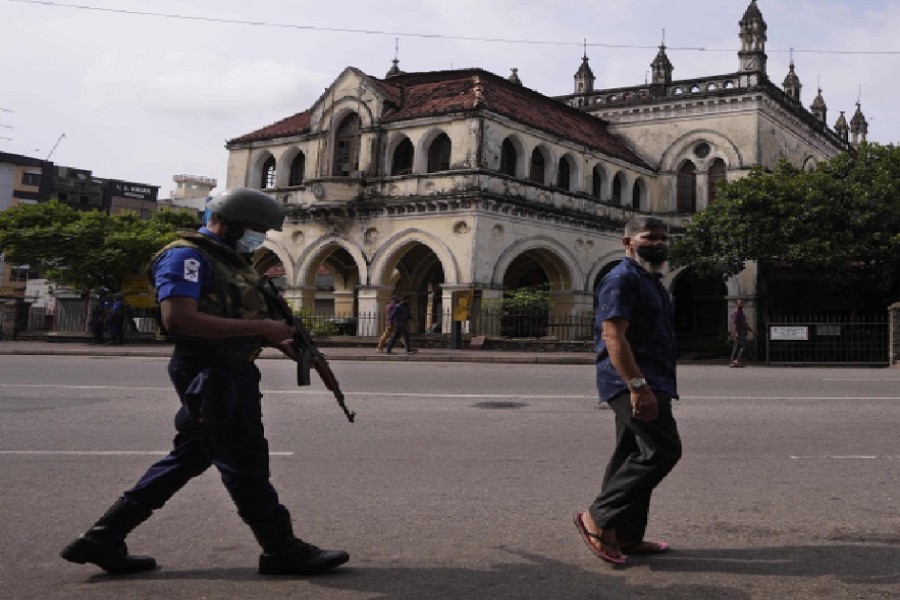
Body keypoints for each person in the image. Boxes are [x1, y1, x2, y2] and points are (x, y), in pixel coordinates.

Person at [60, 187, 349, 576]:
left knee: (191, 456)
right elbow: (178, 319)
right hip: (210, 371)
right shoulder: (186, 257)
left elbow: (256, 326)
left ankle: (103, 537)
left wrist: (289, 346)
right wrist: (262, 326)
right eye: (254, 229)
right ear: (227, 222)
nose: (259, 238)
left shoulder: (233, 261)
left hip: (231, 369)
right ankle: (282, 549)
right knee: (244, 460)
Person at [574, 216, 682, 566]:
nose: (659, 243)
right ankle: (598, 516)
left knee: (630, 453)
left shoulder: (650, 280)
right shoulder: (621, 279)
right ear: (628, 243)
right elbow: (613, 336)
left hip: (654, 379)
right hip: (633, 380)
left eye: (664, 237)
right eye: (650, 236)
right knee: (662, 451)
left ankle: (626, 536)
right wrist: (637, 386)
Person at [728, 299, 754, 368]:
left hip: (742, 332)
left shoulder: (741, 312)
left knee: (736, 347)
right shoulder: (735, 312)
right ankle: (737, 360)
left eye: (742, 303)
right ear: (736, 304)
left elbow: (744, 324)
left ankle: (734, 362)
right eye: (740, 303)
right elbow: (734, 323)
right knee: (744, 346)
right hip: (739, 333)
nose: (741, 304)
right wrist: (735, 332)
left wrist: (751, 331)